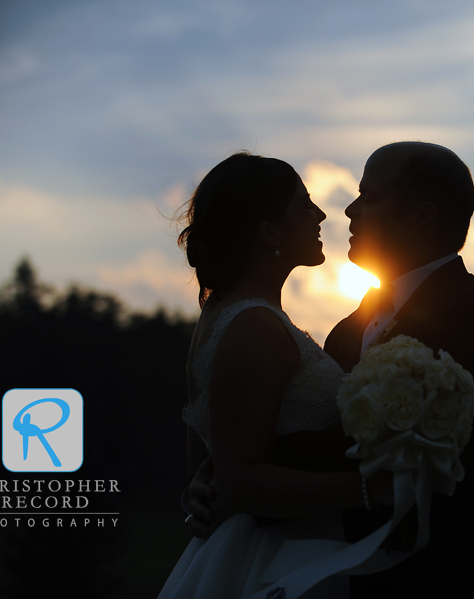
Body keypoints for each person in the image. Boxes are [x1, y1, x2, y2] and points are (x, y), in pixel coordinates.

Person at [188, 142, 474, 598]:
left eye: (369, 197)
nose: (347, 209)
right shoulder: (349, 329)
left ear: (422, 214)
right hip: (328, 571)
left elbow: (435, 459)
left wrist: (236, 477)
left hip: (441, 577)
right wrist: (226, 472)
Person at [158, 152, 389, 599]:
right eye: (304, 205)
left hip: (266, 544)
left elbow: (205, 462)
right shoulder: (254, 327)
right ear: (268, 233)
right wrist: (373, 488)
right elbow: (241, 481)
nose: (322, 214)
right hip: (275, 555)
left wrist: (200, 488)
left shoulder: (227, 317)